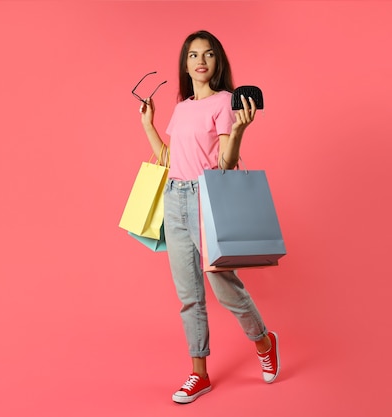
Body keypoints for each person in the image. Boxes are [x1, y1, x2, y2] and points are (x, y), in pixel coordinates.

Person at [137, 30, 280, 404]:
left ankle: (264, 340)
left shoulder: (224, 102)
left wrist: (239, 131)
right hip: (175, 198)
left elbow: (226, 163)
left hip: (206, 197)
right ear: (185, 64)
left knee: (223, 287)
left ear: (218, 63)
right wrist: (149, 125)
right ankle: (198, 374)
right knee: (189, 295)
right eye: (193, 55)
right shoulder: (182, 107)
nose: (201, 60)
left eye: (209, 54)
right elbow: (169, 159)